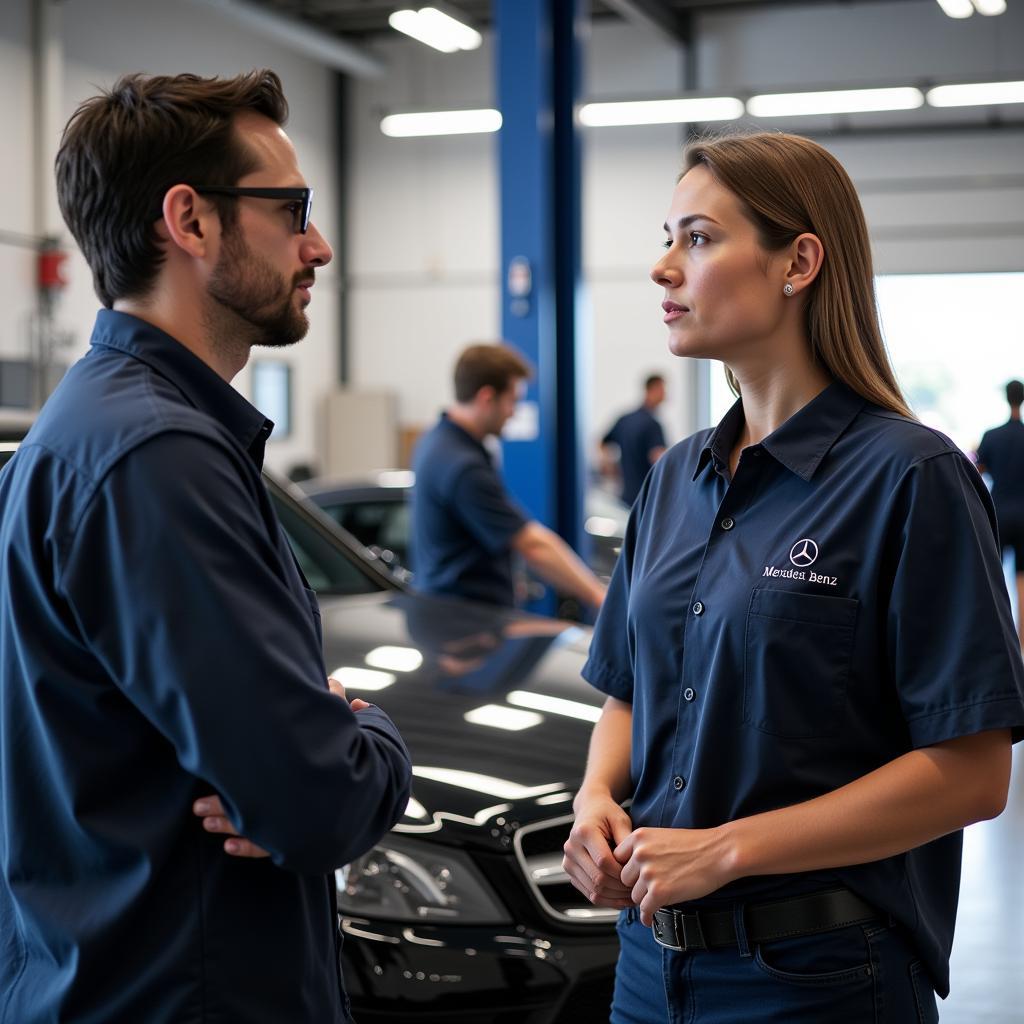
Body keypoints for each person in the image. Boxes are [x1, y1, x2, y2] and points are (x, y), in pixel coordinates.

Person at [562, 131, 1024, 1024]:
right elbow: (625, 691)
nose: (663, 268)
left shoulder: (909, 478)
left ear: (798, 262)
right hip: (646, 973)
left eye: (696, 238)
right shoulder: (672, 479)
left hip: (817, 979)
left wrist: (726, 850)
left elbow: (972, 774)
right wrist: (593, 799)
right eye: (667, 237)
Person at [0, 71, 412, 1024]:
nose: (319, 245)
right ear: (189, 221)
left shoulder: (88, 428)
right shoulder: (157, 455)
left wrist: (306, 754)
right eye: (292, 210)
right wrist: (370, 734)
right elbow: (316, 802)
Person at [411, 343, 606, 611]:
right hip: (467, 627)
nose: (513, 412)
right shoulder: (463, 467)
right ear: (486, 398)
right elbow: (534, 545)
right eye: (512, 401)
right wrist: (599, 596)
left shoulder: (436, 441)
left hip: (449, 615)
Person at [976, 379, 1024, 647]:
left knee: (994, 576)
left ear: (1007, 398)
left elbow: (977, 470)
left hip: (998, 513)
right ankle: (1021, 643)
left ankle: (998, 638)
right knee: (1022, 578)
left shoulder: (992, 435)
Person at [600, 373, 668, 505]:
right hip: (647, 497)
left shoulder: (625, 419)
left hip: (625, 496)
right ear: (652, 390)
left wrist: (609, 465)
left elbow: (602, 443)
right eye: (663, 390)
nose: (665, 395)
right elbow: (659, 459)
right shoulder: (652, 424)